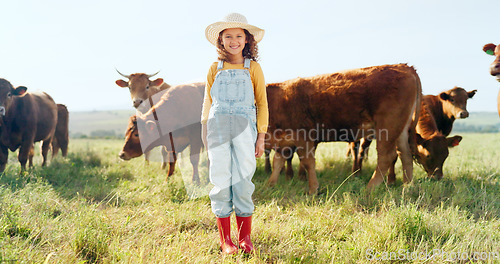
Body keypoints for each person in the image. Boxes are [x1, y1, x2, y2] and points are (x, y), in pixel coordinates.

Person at [201, 13, 268, 255]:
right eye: (228, 36)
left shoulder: (253, 68)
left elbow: (262, 103)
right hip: (217, 130)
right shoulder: (214, 68)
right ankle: (226, 240)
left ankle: (245, 238)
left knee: (242, 181)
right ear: (220, 40)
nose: (233, 41)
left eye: (239, 36)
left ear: (247, 40)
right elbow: (207, 103)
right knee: (220, 181)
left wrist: (261, 136)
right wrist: (204, 131)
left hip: (245, 132)